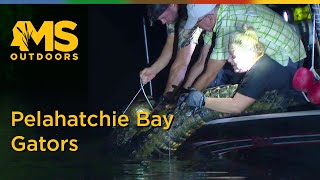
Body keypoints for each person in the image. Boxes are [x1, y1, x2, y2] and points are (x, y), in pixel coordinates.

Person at [181, 4, 306, 92]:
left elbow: (210, 73)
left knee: (242, 91)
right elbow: (201, 61)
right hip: (278, 51)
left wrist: (186, 103)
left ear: (209, 18)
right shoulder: (216, 16)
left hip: (287, 57)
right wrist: (184, 92)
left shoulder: (226, 23)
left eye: (197, 23)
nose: (198, 27)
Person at [185, 25, 303, 114]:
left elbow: (236, 106)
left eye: (233, 56)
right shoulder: (262, 62)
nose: (229, 60)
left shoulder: (260, 71)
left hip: (296, 110)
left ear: (249, 53)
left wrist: (202, 101)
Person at [140, 4, 215, 103]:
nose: (162, 22)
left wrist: (164, 103)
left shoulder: (191, 11)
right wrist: (154, 69)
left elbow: (181, 64)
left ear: (173, 5)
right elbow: (171, 43)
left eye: (162, 17)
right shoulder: (173, 14)